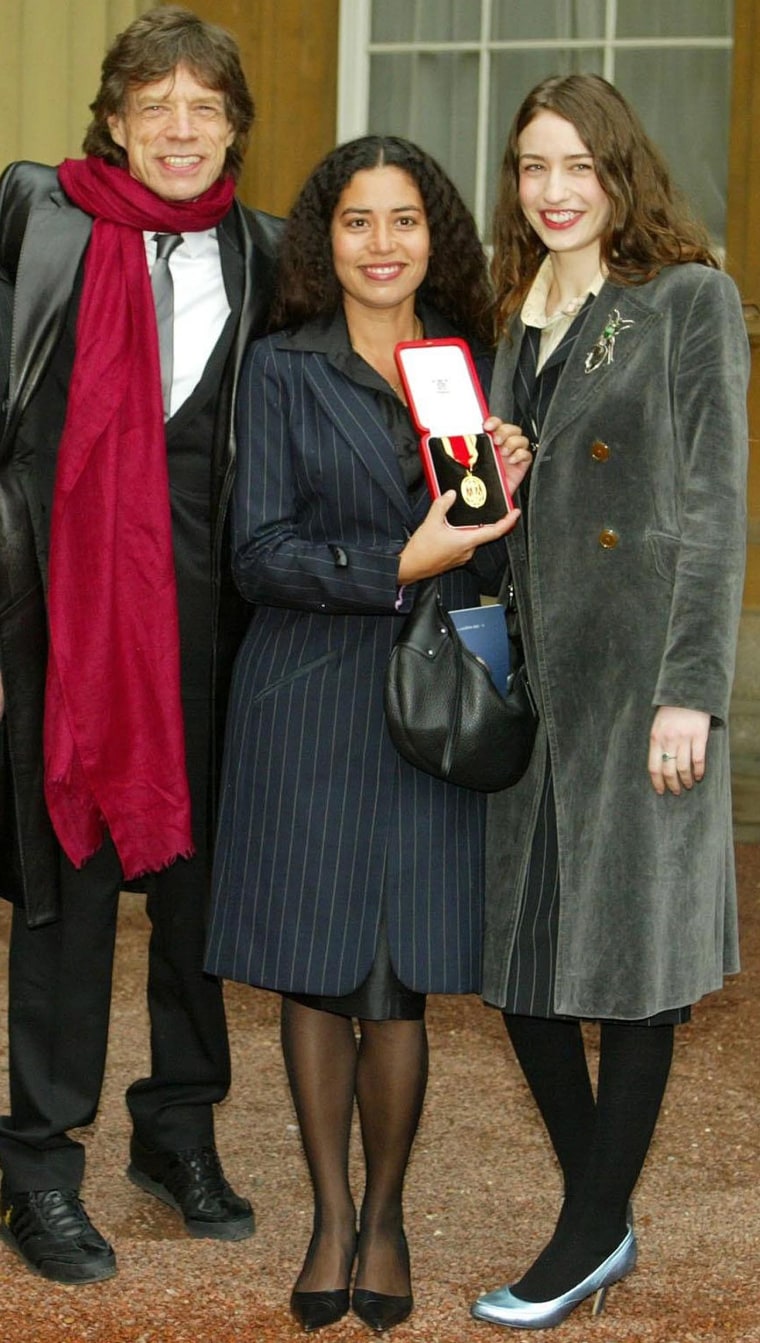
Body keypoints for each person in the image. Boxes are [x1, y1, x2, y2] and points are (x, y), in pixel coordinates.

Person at [205, 134, 531, 1334]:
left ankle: (386, 1215)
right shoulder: (281, 369)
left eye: (404, 220)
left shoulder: (473, 367)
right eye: (357, 221)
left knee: (393, 981)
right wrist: (400, 559)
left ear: (433, 235)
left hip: (434, 699)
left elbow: (491, 539)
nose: (382, 244)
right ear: (323, 240)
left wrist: (508, 479)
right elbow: (258, 551)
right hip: (306, 690)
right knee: (314, 964)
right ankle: (329, 1214)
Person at [0, 5, 282, 1284]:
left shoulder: (268, 253)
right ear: (113, 117)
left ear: (233, 130)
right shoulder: (34, 216)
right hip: (58, 614)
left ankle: (176, 1125)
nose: (180, 126)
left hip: (211, 627)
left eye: (204, 106)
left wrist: (471, 452)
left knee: (196, 891)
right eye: (154, 102)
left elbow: (355, 385)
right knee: (67, 881)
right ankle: (37, 1159)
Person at [469, 73, 749, 1332]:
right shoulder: (511, 318)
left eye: (577, 163)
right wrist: (497, 465)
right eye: (532, 166)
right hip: (540, 684)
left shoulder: (686, 299)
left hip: (643, 687)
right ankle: (606, 1208)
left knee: (635, 967)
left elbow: (709, 509)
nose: (553, 189)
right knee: (521, 968)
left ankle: (584, 1230)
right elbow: (500, 523)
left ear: (619, 171)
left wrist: (692, 689)